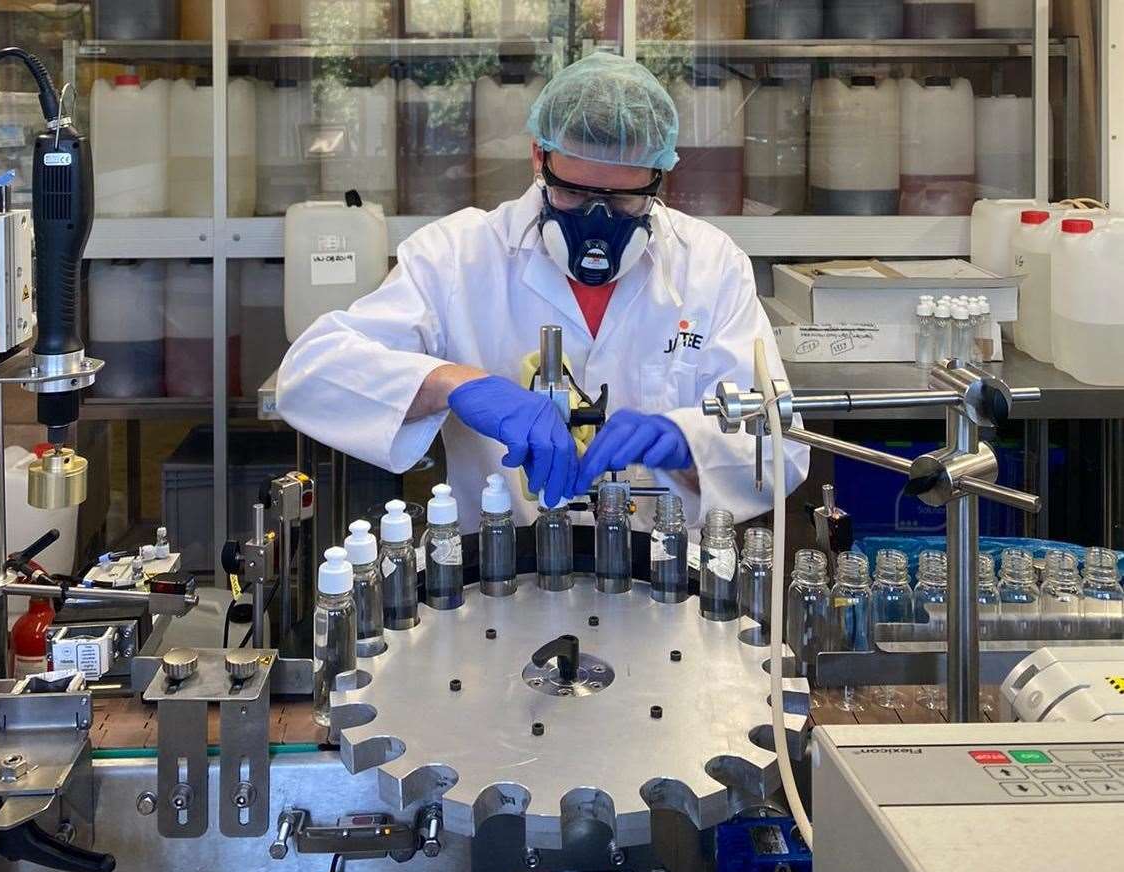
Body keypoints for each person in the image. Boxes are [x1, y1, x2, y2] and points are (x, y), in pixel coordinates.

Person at [277, 52, 808, 532]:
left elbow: (782, 453)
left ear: (659, 177)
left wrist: (687, 445)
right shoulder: (458, 256)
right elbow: (310, 374)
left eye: (624, 201)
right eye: (574, 192)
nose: (597, 221)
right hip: (495, 584)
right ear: (539, 157)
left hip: (667, 590)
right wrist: (451, 383)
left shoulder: (710, 266)